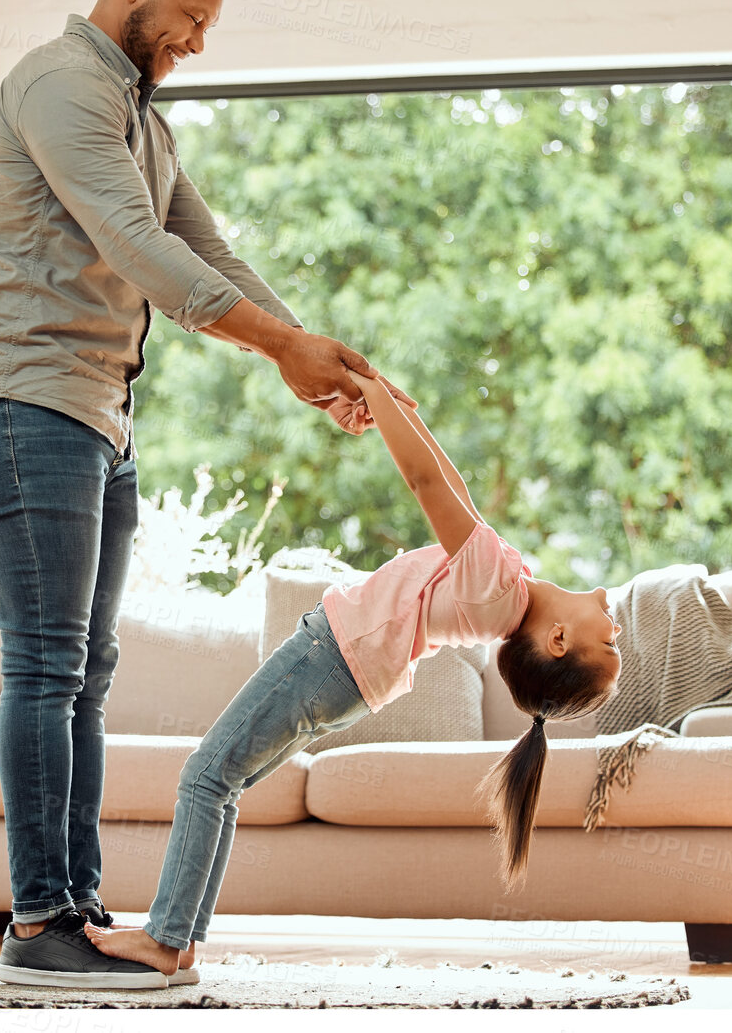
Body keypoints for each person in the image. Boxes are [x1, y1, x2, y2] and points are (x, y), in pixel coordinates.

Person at [0, 0, 410, 990]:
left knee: (84, 678)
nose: (195, 41)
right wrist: (281, 348)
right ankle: (38, 922)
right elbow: (138, 249)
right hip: (20, 401)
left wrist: (314, 356)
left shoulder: (145, 121)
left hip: (95, 416)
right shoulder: (61, 85)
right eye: (189, 17)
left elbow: (204, 247)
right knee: (46, 669)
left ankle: (77, 913)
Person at [83, 368, 624, 978]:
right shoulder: (504, 585)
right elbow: (450, 484)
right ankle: (176, 944)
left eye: (608, 638)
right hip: (342, 678)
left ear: (557, 641)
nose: (612, 615)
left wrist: (370, 392)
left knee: (204, 778)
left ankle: (164, 940)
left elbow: (425, 483)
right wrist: (391, 403)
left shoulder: (495, 589)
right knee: (222, 783)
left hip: (330, 658)